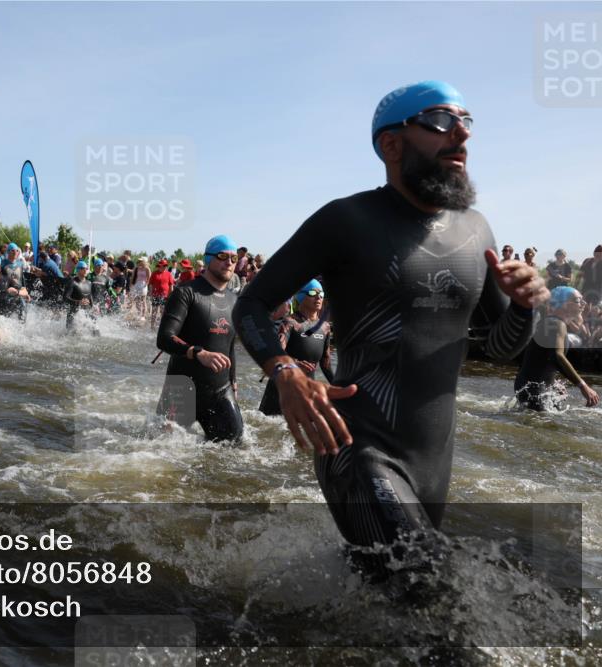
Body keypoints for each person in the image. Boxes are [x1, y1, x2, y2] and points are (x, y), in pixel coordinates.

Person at [232, 80, 548, 556]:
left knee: (393, 604)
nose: (461, 135)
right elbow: (250, 304)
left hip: (433, 461)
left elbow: (503, 348)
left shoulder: (475, 228)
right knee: (428, 585)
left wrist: (524, 305)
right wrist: (285, 372)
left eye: (466, 122)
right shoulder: (346, 221)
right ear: (392, 143)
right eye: (442, 121)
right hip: (356, 446)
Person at [156, 235, 243, 443]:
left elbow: (229, 345)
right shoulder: (186, 293)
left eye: (233, 258)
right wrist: (198, 352)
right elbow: (164, 338)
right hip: (181, 389)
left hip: (220, 390)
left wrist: (233, 382)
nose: (229, 262)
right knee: (165, 456)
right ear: (207, 259)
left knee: (234, 444)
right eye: (222, 256)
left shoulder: (235, 301)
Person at [514, 287, 600, 410]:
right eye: (578, 300)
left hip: (532, 385)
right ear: (564, 304)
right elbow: (557, 356)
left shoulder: (554, 323)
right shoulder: (555, 324)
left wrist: (553, 382)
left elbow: (540, 357)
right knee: (542, 426)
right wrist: (583, 386)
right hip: (533, 388)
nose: (584, 303)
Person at [258, 280, 334, 416]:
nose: (319, 297)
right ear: (301, 297)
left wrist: (339, 386)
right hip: (281, 391)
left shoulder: (325, 327)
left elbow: (326, 364)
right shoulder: (290, 323)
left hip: (306, 391)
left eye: (321, 294)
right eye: (313, 293)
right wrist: (295, 363)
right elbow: (276, 354)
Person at [63, 260, 93, 330]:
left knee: (95, 332)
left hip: (85, 315)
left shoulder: (89, 283)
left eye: (86, 268)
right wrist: (78, 302)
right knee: (72, 337)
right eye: (83, 268)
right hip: (73, 315)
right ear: (78, 270)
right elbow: (65, 297)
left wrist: (93, 307)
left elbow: (90, 296)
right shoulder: (72, 282)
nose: (85, 270)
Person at [147, 259, 175, 329]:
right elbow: (150, 284)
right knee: (154, 312)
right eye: (164, 265)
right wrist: (150, 293)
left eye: (166, 265)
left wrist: (170, 295)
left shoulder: (168, 274)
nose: (165, 266)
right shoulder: (154, 273)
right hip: (155, 295)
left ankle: (162, 327)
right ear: (159, 266)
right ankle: (152, 327)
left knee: (163, 313)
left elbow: (171, 285)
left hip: (165, 296)